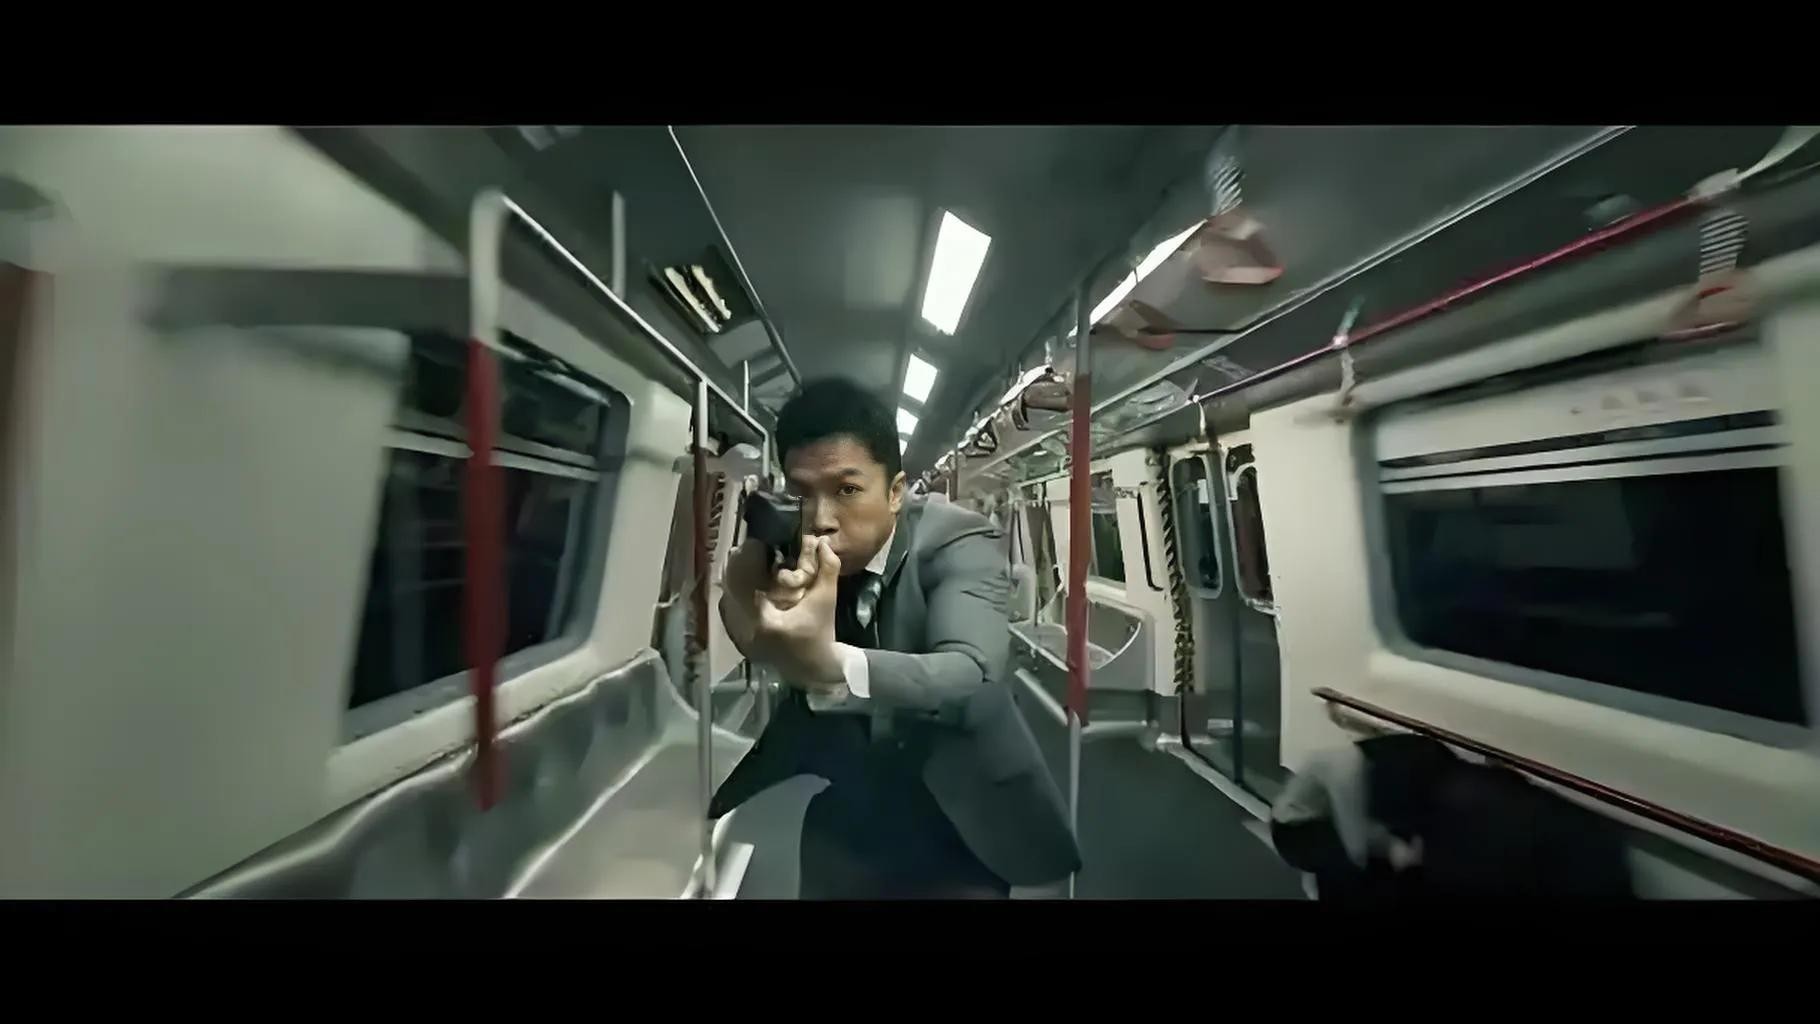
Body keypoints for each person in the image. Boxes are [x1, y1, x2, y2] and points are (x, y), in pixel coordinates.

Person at [710, 378, 1080, 898]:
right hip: (846, 794)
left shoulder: (957, 539)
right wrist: (745, 579)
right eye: (803, 493)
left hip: (958, 812)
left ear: (896, 492)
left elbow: (971, 672)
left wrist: (834, 663)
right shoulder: (793, 540)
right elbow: (759, 638)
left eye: (846, 490)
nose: (821, 520)